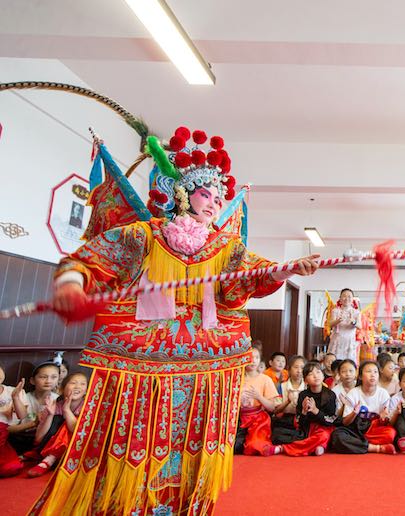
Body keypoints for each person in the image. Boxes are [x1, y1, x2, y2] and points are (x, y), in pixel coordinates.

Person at [33, 127, 319, 515]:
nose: (215, 203)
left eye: (219, 198)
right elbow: (85, 261)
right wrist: (70, 285)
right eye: (206, 194)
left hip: (205, 362)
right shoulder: (145, 236)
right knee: (133, 438)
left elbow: (253, 275)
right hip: (140, 361)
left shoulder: (225, 247)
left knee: (193, 444)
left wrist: (288, 269)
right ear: (183, 194)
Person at [268, 361, 337, 457]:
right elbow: (300, 422)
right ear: (305, 380)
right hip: (307, 429)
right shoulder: (303, 395)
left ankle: (283, 448)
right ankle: (317, 446)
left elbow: (331, 420)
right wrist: (304, 412)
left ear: (323, 375)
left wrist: (316, 411)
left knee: (323, 436)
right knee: (277, 434)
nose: (315, 376)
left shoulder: (330, 395)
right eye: (311, 374)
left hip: (323, 428)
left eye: (318, 372)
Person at [27, 373, 88, 477]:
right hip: (48, 447)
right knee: (58, 419)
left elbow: (76, 431)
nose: (77, 386)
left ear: (86, 391)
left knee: (68, 424)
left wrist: (66, 410)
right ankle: (50, 458)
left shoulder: (88, 406)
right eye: (73, 383)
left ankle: (50, 459)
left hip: (77, 449)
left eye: (82, 384)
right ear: (62, 389)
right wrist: (50, 415)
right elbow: (38, 438)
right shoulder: (55, 405)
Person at [328, 361, 396, 454]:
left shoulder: (383, 393)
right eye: (368, 371)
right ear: (360, 376)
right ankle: (375, 448)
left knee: (390, 434)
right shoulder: (353, 393)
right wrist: (354, 413)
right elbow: (345, 422)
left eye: (375, 372)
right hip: (355, 429)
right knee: (337, 436)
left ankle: (357, 444)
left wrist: (384, 418)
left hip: (373, 429)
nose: (372, 375)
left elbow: (385, 420)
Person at [235, 348, 280, 456]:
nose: (253, 360)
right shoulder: (236, 378)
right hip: (238, 418)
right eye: (250, 357)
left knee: (254, 446)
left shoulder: (265, 379)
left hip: (258, 419)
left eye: (256, 357)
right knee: (234, 447)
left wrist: (259, 397)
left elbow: (272, 407)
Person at [8, 362, 60, 456]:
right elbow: (9, 429)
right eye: (43, 377)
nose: (48, 381)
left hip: (45, 443)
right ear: (32, 380)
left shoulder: (58, 400)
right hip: (21, 439)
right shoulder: (23, 398)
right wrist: (33, 423)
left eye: (54, 377)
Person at [0, 365, 27, 477]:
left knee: (12, 467)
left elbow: (22, 415)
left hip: (6, 435)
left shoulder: (13, 391)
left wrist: (15, 398)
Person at [328, 288, 361, 363]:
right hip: (337, 340)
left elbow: (360, 326)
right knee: (334, 362)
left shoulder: (356, 312)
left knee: (348, 363)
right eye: (344, 296)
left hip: (349, 341)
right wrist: (338, 321)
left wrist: (354, 322)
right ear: (340, 299)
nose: (346, 298)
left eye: (349, 296)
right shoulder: (335, 311)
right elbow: (330, 324)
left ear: (352, 299)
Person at [274, 356, 307, 428]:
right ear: (289, 369)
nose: (299, 371)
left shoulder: (308, 386)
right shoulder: (281, 386)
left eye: (302, 368)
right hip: (284, 421)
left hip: (304, 421)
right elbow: (275, 410)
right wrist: (288, 401)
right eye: (296, 367)